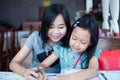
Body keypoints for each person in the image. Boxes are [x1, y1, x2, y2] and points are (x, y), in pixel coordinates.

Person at [9, 3, 71, 80]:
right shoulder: (35, 37)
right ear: (44, 26)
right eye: (50, 27)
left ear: (67, 26)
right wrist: (25, 72)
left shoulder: (71, 41)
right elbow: (13, 64)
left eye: (61, 27)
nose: (55, 32)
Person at [38, 14, 101, 80]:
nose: (76, 44)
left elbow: (93, 71)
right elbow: (43, 65)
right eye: (74, 38)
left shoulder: (92, 53)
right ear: (70, 34)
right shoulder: (61, 49)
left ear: (90, 43)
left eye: (83, 42)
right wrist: (41, 71)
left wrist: (64, 78)